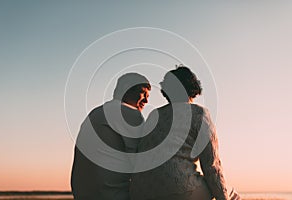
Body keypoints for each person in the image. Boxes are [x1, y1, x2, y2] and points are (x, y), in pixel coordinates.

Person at [130, 66, 232, 200]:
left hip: (140, 192)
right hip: (178, 190)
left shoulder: (154, 115)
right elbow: (212, 165)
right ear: (192, 86)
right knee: (229, 192)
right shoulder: (199, 113)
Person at [71, 73, 151, 200]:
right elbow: (140, 162)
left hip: (82, 193)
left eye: (148, 96)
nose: (146, 100)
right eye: (142, 93)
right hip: (112, 193)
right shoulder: (129, 112)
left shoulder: (95, 112)